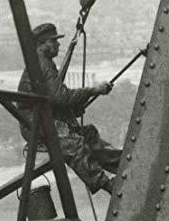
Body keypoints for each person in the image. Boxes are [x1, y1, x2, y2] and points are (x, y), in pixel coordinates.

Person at [18, 23, 122, 194]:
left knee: (89, 135)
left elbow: (54, 99)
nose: (58, 45)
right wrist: (93, 90)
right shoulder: (41, 65)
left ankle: (122, 164)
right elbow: (61, 97)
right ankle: (107, 185)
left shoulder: (42, 63)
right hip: (37, 125)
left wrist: (74, 106)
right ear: (42, 44)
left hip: (45, 120)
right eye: (53, 41)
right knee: (76, 145)